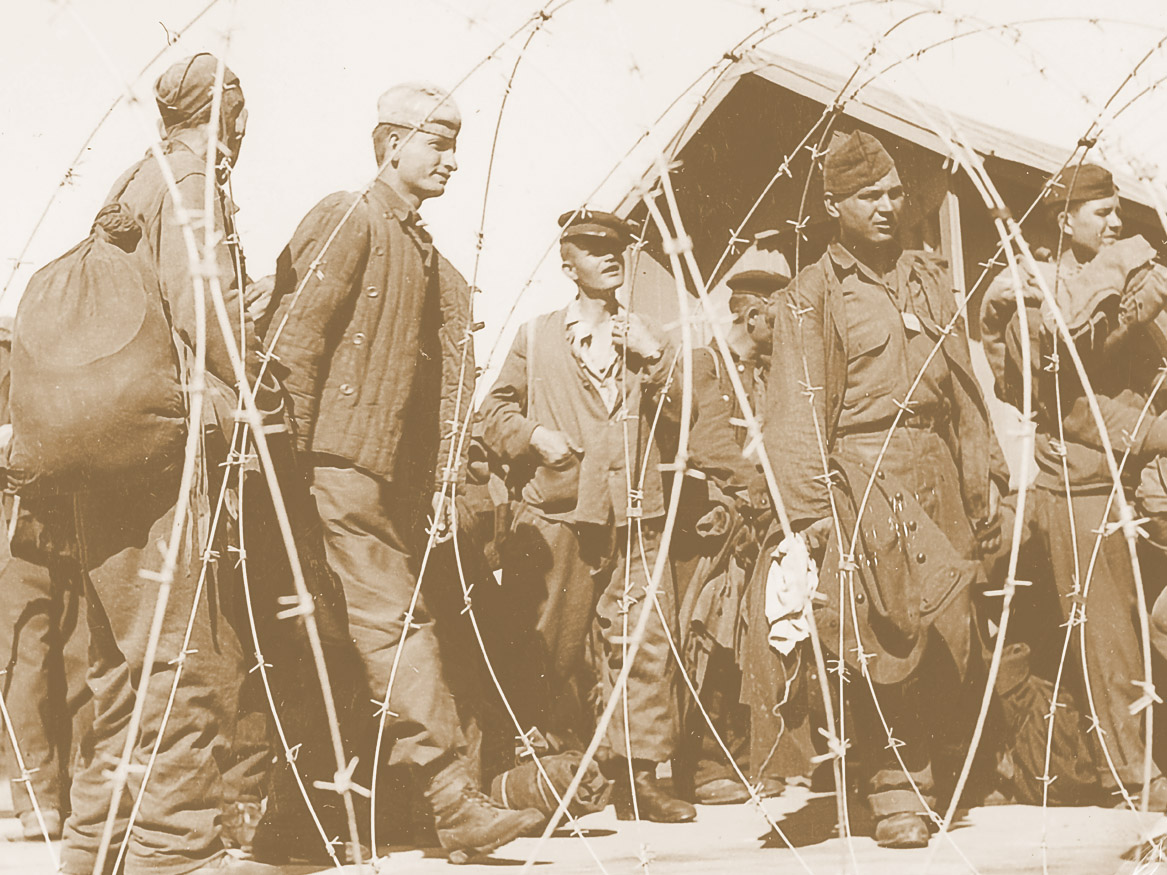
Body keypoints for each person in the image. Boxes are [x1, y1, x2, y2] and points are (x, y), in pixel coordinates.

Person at [13, 53, 281, 875]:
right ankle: (173, 848)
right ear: (227, 113)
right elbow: (207, 305)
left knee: (117, 663)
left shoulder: (130, 184)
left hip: (103, 450)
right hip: (165, 450)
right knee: (179, 652)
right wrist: (264, 367)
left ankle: (97, 845)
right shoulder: (193, 180)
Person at [261, 82, 543, 863]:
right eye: (437, 143)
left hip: (382, 480)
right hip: (335, 467)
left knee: (367, 640)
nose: (452, 160)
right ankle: (453, 801)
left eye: (456, 145)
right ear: (389, 143)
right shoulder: (350, 216)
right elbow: (293, 341)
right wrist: (287, 468)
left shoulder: (427, 256)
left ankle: (311, 822)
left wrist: (443, 482)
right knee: (394, 626)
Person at [764, 130, 1006, 848]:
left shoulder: (926, 275)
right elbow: (795, 405)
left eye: (894, 193)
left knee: (948, 628)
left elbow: (964, 383)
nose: (885, 206)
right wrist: (808, 512)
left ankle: (935, 767)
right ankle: (896, 787)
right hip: (863, 475)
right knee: (887, 635)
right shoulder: (810, 294)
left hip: (934, 463)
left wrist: (980, 471)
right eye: (868, 195)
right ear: (833, 204)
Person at [479, 208, 695, 824]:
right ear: (567, 261)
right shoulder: (537, 334)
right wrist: (532, 435)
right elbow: (490, 413)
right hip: (558, 513)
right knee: (548, 643)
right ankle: (542, 772)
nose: (610, 258)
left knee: (643, 644)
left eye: (617, 249)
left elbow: (686, 420)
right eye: (594, 248)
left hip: (633, 511)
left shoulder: (650, 337)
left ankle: (640, 780)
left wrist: (655, 360)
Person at [980, 162, 1167, 809]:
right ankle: (1133, 776)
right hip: (1079, 481)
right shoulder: (1027, 292)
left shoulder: (1114, 277)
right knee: (1107, 634)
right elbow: (1055, 390)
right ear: (1063, 221)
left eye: (1118, 211)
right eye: (1100, 213)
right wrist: (1148, 432)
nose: (1115, 223)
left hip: (1133, 477)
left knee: (1146, 626)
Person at [676, 269, 784, 805]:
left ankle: (740, 756)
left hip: (753, 530)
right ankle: (699, 765)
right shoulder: (705, 364)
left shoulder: (766, 377)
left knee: (747, 643)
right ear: (751, 316)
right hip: (707, 535)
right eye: (776, 319)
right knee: (705, 643)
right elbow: (710, 443)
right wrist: (760, 487)